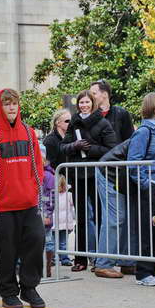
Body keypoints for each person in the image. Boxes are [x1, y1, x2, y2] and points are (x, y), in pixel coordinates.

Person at [0, 88, 46, 308]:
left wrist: (36, 186)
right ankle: (8, 293)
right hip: (2, 205)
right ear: (0, 107)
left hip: (28, 202)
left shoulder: (29, 132)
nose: (12, 107)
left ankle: (29, 287)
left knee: (36, 241)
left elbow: (38, 165)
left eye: (14, 103)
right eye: (6, 104)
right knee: (6, 251)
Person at [60, 90, 118, 272]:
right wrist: (74, 146)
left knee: (101, 216)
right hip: (78, 174)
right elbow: (63, 147)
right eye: (81, 103)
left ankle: (100, 260)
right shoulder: (74, 123)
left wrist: (90, 149)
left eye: (87, 102)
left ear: (93, 103)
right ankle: (81, 259)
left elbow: (112, 149)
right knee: (83, 218)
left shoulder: (103, 123)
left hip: (97, 174)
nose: (84, 105)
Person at [128, 92, 155, 286]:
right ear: (154, 108)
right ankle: (143, 272)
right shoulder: (144, 131)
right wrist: (146, 185)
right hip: (149, 187)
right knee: (146, 229)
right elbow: (133, 162)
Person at [53, 175, 75, 266]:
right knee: (60, 242)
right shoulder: (68, 194)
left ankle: (59, 258)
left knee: (58, 242)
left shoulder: (66, 194)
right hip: (60, 223)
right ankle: (60, 258)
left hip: (59, 223)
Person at [41, 146, 56, 278]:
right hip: (35, 214)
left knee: (48, 241)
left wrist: (47, 215)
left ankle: (47, 269)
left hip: (44, 215)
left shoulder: (48, 176)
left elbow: (50, 198)